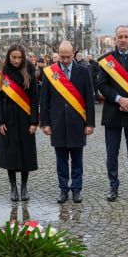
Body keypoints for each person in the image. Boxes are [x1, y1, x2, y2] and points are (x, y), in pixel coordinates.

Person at [97, 25, 128, 202]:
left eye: (126, 36)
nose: (123, 40)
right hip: (113, 112)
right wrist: (119, 99)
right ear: (115, 39)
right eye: (120, 37)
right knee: (112, 153)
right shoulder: (106, 60)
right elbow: (102, 85)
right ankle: (113, 186)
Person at [40, 41, 95, 204]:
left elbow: (89, 100)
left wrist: (90, 124)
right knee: (61, 160)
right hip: (57, 123)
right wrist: (45, 123)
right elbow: (44, 100)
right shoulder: (50, 72)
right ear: (58, 53)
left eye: (68, 57)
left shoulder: (83, 71)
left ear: (73, 54)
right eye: (62, 57)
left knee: (77, 159)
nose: (64, 60)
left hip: (77, 123)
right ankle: (63, 189)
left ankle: (77, 189)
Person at [0, 44, 39, 202]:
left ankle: (24, 187)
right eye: (14, 57)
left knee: (26, 154)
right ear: (8, 57)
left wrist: (34, 121)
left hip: (25, 119)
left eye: (20, 57)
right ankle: (13, 187)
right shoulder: (2, 74)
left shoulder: (30, 71)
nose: (17, 60)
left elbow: (34, 99)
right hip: (8, 119)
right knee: (10, 154)